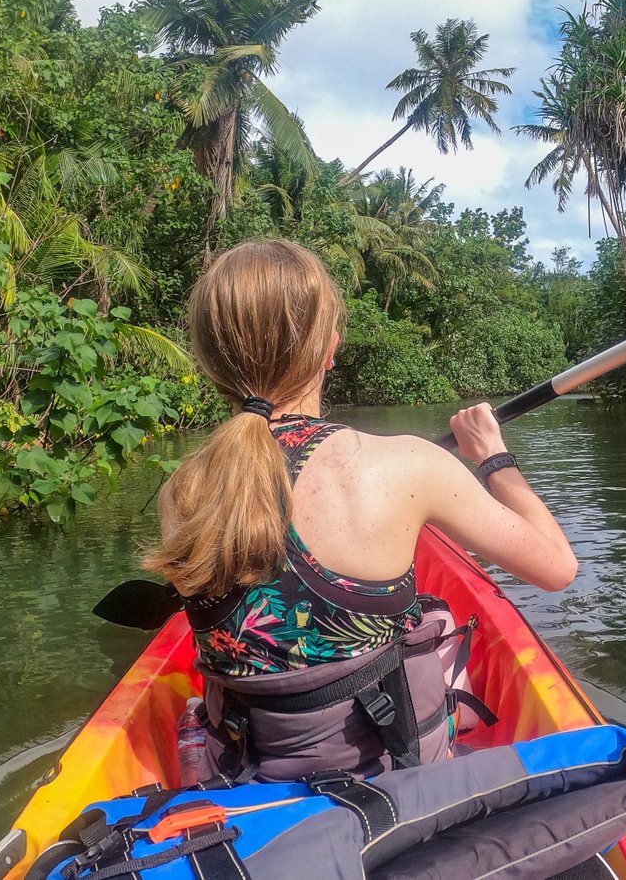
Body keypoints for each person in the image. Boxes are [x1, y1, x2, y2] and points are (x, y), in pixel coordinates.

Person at [143, 239, 577, 780]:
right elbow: (558, 568)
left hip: (246, 772)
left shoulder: (181, 490)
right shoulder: (405, 465)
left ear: (211, 361)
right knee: (438, 617)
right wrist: (494, 458)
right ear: (329, 348)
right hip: (389, 772)